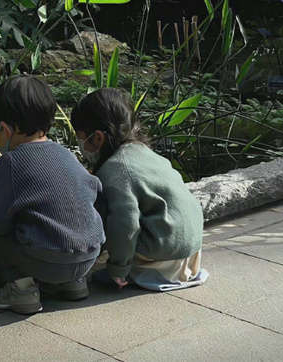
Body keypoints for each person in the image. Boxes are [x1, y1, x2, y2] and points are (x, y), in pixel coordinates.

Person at [0, 75, 105, 314]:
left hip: (48, 264)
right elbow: (95, 192)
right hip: (88, 258)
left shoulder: (12, 162)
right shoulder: (67, 155)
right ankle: (73, 284)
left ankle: (21, 291)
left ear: (5, 129)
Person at [71, 88, 209, 292]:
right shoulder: (145, 153)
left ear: (98, 137)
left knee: (103, 208)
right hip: (191, 248)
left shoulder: (116, 168)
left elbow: (125, 224)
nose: (80, 144)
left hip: (165, 251)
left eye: (80, 137)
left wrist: (118, 268)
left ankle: (134, 271)